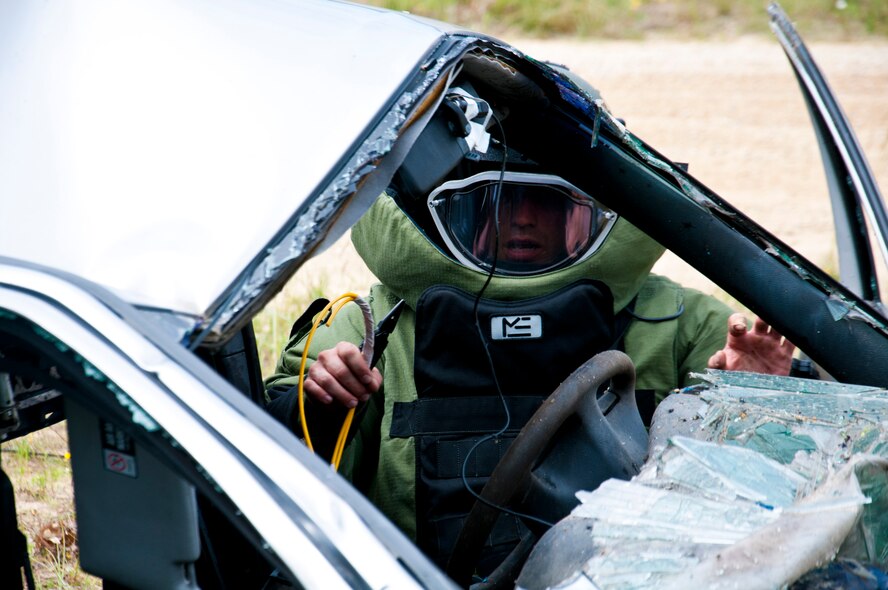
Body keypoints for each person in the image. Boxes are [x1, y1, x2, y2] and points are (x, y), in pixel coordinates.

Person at [264, 85, 794, 577]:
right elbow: (263, 466)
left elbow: (772, 497)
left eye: (545, 204)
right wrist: (323, 403)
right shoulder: (367, 326)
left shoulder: (679, 321)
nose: (522, 222)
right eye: (496, 202)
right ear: (437, 210)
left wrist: (756, 396)